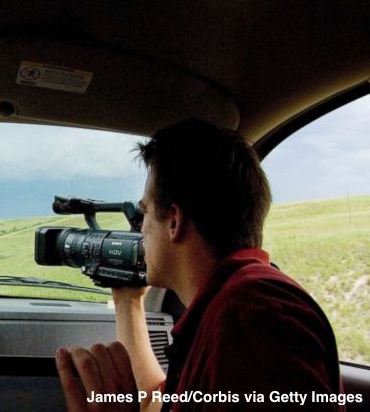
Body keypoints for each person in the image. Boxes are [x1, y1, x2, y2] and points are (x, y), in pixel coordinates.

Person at [55, 119, 342, 411]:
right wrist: (127, 300)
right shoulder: (230, 305)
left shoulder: (254, 318)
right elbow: (156, 400)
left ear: (174, 222)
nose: (141, 230)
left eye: (145, 213)